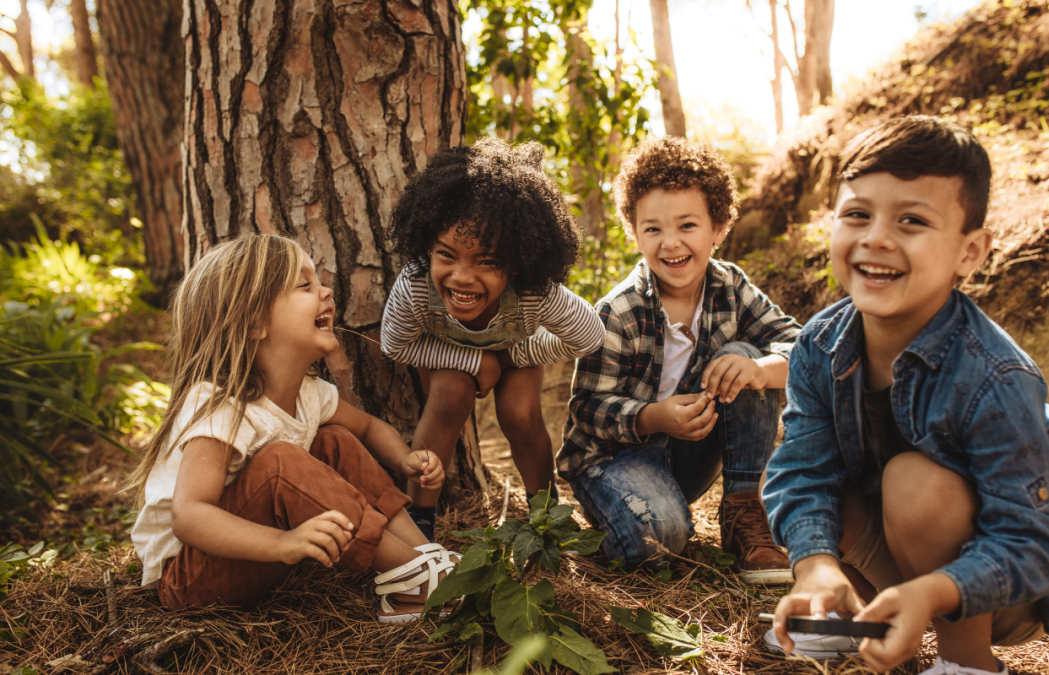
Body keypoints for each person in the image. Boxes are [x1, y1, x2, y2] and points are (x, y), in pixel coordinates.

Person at [763, 116, 1049, 674]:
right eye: (858, 214)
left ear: (970, 252)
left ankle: (967, 662)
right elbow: (802, 471)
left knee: (914, 483)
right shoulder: (818, 344)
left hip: (1006, 583)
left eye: (912, 220)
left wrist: (934, 592)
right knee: (820, 482)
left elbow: (1031, 540)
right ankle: (852, 616)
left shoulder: (994, 375)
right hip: (904, 555)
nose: (877, 237)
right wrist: (814, 565)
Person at [129, 235, 459, 623]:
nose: (326, 291)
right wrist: (282, 543)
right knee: (281, 461)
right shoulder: (220, 405)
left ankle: (422, 556)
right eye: (305, 285)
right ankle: (418, 580)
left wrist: (403, 458)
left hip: (252, 555)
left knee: (333, 440)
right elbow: (190, 515)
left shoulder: (310, 393)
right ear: (254, 322)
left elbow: (367, 428)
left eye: (319, 282)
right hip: (191, 578)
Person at [557, 137, 802, 582]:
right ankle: (634, 519)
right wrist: (653, 417)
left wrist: (761, 369)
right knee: (659, 541)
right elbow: (587, 408)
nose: (670, 244)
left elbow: (803, 347)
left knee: (744, 357)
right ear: (634, 233)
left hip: (689, 454)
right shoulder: (619, 310)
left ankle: (745, 511)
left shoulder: (731, 287)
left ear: (719, 227)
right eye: (653, 229)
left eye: (687, 225)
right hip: (614, 462)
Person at [381, 138, 605, 540]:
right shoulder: (416, 284)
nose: (462, 277)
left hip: (515, 352)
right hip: (447, 355)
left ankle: (546, 518)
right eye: (446, 254)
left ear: (518, 263)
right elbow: (395, 345)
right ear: (427, 246)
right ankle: (418, 528)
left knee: (520, 415)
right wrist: (473, 361)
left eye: (487, 261)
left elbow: (588, 335)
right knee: (450, 395)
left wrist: (513, 355)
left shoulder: (535, 292)